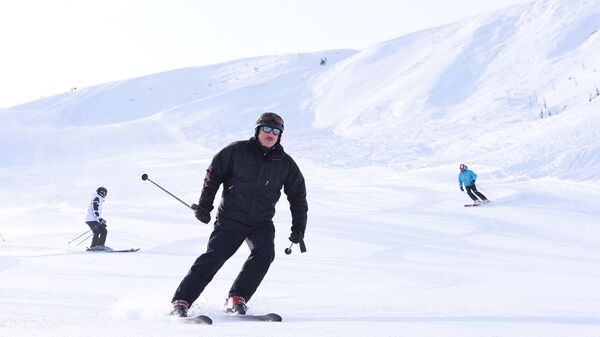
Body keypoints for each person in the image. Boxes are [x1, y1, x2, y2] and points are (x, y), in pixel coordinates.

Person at [170, 112, 308, 317]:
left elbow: (297, 197)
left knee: (265, 253)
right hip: (231, 218)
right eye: (266, 129)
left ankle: (237, 297)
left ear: (280, 136)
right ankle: (181, 301)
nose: (270, 134)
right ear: (258, 131)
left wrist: (299, 228)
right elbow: (213, 174)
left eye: (276, 131)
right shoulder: (237, 151)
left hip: (261, 221)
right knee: (215, 256)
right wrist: (204, 206)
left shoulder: (286, 163)